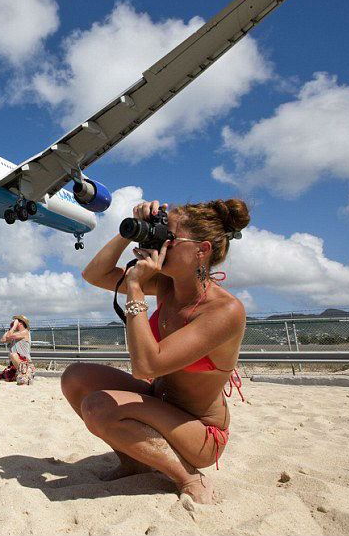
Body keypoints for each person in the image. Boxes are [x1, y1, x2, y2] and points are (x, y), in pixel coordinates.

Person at [64, 199, 249, 505]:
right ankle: (132, 461)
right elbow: (94, 275)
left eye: (169, 239)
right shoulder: (167, 286)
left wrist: (135, 289)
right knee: (76, 378)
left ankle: (189, 477)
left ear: (201, 251)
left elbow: (146, 366)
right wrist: (129, 231)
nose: (159, 243)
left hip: (199, 432)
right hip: (158, 403)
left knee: (98, 406)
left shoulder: (225, 309)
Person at [0, 315, 34, 385]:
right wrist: (11, 328)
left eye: (16, 321)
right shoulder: (14, 334)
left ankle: (25, 373)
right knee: (4, 376)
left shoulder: (25, 332)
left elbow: (8, 336)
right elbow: (3, 340)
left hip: (25, 363)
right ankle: (20, 374)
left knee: (13, 354)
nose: (13, 322)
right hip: (15, 364)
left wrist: (14, 326)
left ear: (20, 323)